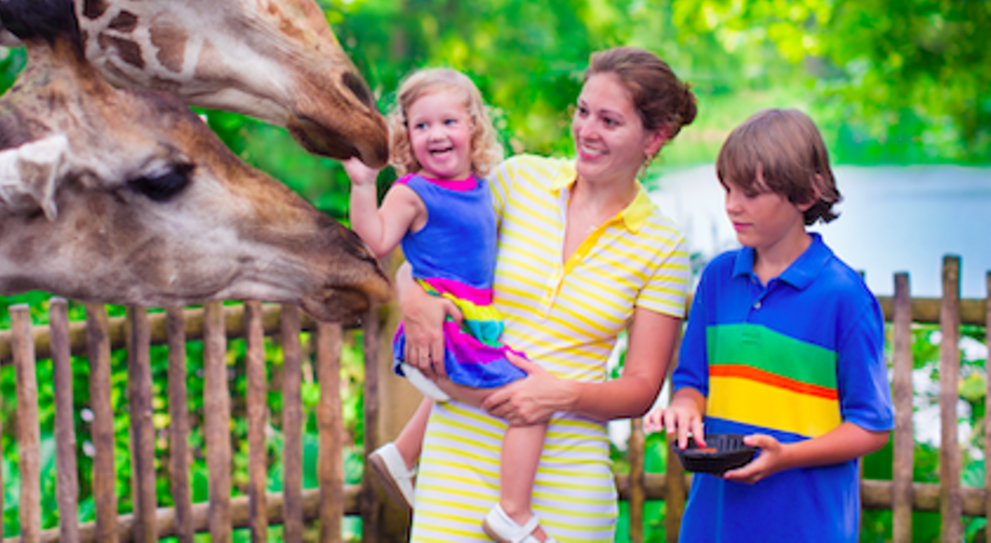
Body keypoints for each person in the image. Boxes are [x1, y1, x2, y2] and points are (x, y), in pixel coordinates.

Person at [397, 47, 699, 542]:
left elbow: (643, 387)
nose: (587, 131)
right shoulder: (518, 181)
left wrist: (563, 394)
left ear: (655, 136)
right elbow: (431, 259)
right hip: (458, 460)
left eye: (609, 120)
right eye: (583, 112)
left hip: (565, 481)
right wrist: (410, 296)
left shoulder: (662, 245)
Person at [643, 108, 893, 543]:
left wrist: (787, 456)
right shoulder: (718, 280)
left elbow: (871, 427)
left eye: (752, 193)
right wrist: (683, 408)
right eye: (728, 189)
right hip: (713, 525)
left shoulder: (844, 297)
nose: (732, 205)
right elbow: (690, 382)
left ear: (805, 193)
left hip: (807, 527)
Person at [344, 68, 554, 542]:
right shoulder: (413, 191)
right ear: (406, 135)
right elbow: (375, 241)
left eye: (448, 123)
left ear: (472, 128)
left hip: (475, 325)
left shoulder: (482, 184)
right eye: (421, 126)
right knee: (530, 402)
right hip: (443, 331)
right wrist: (362, 184)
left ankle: (401, 453)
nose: (436, 134)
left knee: (525, 373)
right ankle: (513, 512)